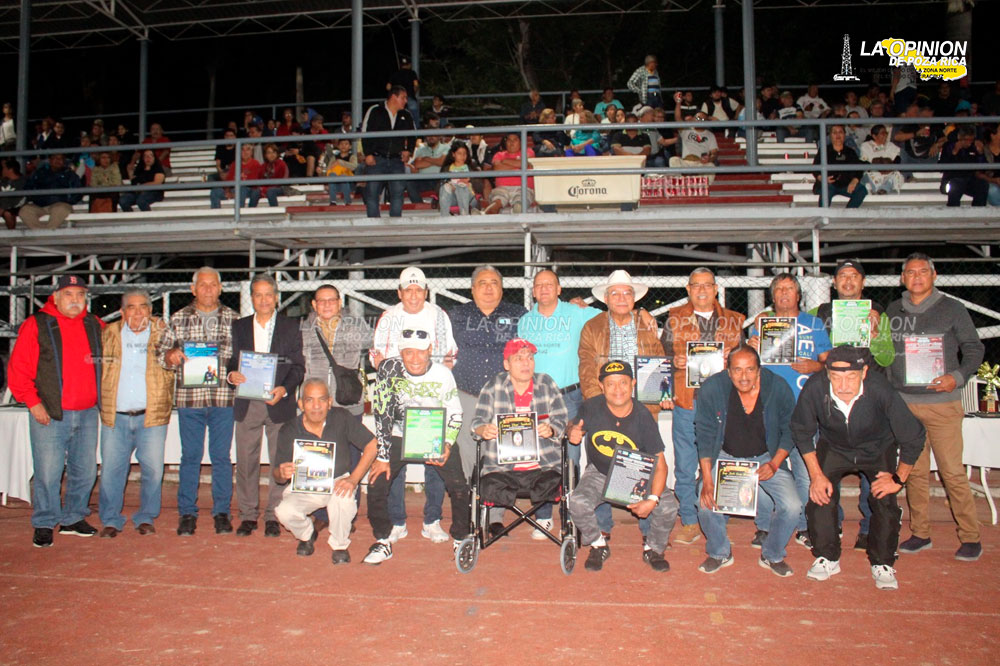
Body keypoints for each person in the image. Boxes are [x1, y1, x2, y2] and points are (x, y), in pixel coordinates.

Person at [792, 346, 927, 590]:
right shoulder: (815, 387)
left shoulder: (881, 389)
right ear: (827, 374)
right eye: (836, 377)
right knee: (820, 495)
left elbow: (914, 436)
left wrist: (898, 479)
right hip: (835, 446)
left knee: (884, 498)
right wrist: (816, 475)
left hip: (876, 447)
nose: (843, 385)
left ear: (864, 373)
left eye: (851, 377)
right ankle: (827, 556)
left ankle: (883, 562)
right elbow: (801, 431)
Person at [886, 253, 985, 561]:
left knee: (951, 472)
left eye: (922, 272)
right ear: (902, 278)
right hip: (905, 406)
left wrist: (957, 377)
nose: (916, 277)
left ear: (934, 275)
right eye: (910, 272)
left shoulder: (952, 308)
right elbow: (884, 353)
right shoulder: (893, 310)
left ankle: (971, 536)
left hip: (942, 405)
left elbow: (974, 348)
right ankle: (920, 532)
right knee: (914, 472)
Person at [8, 275, 104, 547]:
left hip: (87, 412)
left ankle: (73, 518)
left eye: (80, 294)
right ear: (57, 297)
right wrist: (33, 402)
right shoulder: (37, 324)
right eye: (69, 294)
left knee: (85, 471)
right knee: (48, 472)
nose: (75, 300)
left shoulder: (94, 324)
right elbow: (19, 368)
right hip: (49, 412)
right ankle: (45, 521)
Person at [363, 324, 471, 564]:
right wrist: (382, 456)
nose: (415, 358)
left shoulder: (443, 374)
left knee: (459, 486)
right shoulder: (389, 369)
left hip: (435, 434)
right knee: (377, 482)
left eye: (421, 352)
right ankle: (383, 540)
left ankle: (460, 537)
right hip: (399, 434)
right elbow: (382, 414)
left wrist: (447, 443)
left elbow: (455, 412)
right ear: (400, 352)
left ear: (430, 349)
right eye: (408, 352)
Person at [809, 259, 893, 551]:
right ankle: (832, 523)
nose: (847, 281)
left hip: (869, 406)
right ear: (833, 283)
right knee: (827, 467)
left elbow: (887, 358)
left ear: (863, 282)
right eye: (842, 276)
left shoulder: (878, 314)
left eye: (854, 276)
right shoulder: (819, 314)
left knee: (873, 470)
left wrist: (876, 334)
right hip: (830, 403)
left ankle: (870, 527)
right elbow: (792, 327)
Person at [695, 345, 800, 576]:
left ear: (759, 370)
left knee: (792, 506)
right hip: (724, 456)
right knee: (705, 502)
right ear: (728, 371)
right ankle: (719, 552)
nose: (744, 376)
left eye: (750, 369)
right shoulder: (712, 388)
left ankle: (772, 554)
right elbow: (704, 435)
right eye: (737, 370)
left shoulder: (777, 387)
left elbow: (790, 429)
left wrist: (775, 463)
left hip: (766, 457)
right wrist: (707, 479)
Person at [370, 266, 456, 544]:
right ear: (400, 292)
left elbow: (449, 355)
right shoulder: (388, 317)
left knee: (435, 463)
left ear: (426, 291)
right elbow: (378, 359)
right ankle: (397, 521)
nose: (414, 295)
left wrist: (433, 377)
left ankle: (432, 520)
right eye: (408, 290)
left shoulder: (439, 315)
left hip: (431, 399)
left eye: (419, 290)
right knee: (396, 464)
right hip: (398, 399)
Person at [660, 267, 746, 546]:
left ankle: (717, 516)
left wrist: (740, 354)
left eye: (707, 285)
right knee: (685, 465)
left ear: (716, 289)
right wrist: (674, 362)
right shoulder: (674, 319)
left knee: (723, 460)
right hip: (688, 402)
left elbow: (745, 361)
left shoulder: (734, 321)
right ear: (688, 289)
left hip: (724, 402)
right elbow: (661, 358)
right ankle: (689, 519)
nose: (701, 290)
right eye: (695, 285)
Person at [567, 361, 679, 573]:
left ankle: (653, 549)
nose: (617, 389)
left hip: (636, 474)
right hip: (600, 472)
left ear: (633, 383)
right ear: (601, 386)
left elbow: (661, 465)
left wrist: (652, 500)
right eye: (610, 384)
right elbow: (573, 425)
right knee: (577, 503)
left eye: (623, 383)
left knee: (668, 506)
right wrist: (572, 430)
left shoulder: (643, 415)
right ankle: (598, 545)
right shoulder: (590, 407)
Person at [749, 273, 832, 548]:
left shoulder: (814, 324)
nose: (784, 293)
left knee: (805, 471)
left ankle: (806, 525)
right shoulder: (762, 325)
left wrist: (815, 366)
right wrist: (751, 348)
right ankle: (764, 525)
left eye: (789, 289)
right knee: (765, 467)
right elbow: (748, 367)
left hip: (805, 410)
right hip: (768, 410)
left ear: (798, 295)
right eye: (779, 289)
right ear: (773, 296)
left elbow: (831, 364)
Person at [156, 267, 239, 536]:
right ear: (193, 289)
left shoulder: (235, 319)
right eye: (202, 285)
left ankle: (222, 512)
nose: (208, 289)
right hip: (190, 400)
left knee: (221, 458)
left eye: (213, 284)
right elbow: (161, 354)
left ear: (220, 288)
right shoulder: (178, 318)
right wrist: (169, 356)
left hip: (223, 399)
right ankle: (187, 513)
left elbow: (242, 357)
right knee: (190, 456)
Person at [225, 275, 305, 538]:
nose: (263, 300)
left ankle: (273, 515)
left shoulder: (291, 326)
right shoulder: (240, 326)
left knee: (279, 462)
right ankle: (248, 515)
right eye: (258, 295)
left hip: (278, 402)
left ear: (276, 297)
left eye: (268, 294)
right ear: (252, 298)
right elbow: (233, 360)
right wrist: (231, 374)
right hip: (248, 403)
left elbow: (298, 367)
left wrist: (284, 389)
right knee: (246, 462)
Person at [272, 379, 378, 563]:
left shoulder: (341, 418)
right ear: (301, 404)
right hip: (305, 485)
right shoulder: (288, 430)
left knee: (344, 500)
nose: (316, 406)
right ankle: (306, 534)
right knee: (284, 511)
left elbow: (372, 445)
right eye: (309, 400)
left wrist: (353, 479)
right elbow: (277, 475)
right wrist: (281, 473)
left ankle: (339, 545)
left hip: (338, 481)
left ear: (329, 402)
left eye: (321, 400)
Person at [470, 338, 569, 535]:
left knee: (555, 481)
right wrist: (483, 430)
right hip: (501, 468)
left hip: (543, 466)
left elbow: (562, 419)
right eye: (518, 358)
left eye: (530, 358)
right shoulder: (494, 386)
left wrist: (552, 430)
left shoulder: (546, 383)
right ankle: (483, 524)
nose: (526, 363)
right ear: (506, 364)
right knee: (488, 485)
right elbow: (476, 422)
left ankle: (554, 522)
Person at [97, 289, 175, 537]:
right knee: (111, 471)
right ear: (122, 312)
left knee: (153, 470)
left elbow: (178, 364)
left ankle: (146, 517)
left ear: (150, 311)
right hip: (115, 415)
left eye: (143, 307)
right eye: (132, 307)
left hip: (151, 416)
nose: (138, 312)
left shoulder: (165, 334)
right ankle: (111, 519)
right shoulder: (108, 334)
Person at [449, 266, 527, 482]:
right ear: (472, 289)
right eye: (482, 283)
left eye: (494, 283)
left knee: (503, 450)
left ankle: (497, 499)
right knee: (465, 449)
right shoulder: (456, 315)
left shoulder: (519, 314)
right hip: (465, 393)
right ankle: (469, 496)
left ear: (502, 289)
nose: (488, 288)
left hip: (504, 395)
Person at [361, 86, 416, 218]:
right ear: (393, 97)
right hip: (377, 158)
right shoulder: (375, 110)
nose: (405, 101)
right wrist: (368, 154)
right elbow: (365, 132)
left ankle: (395, 223)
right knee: (372, 193)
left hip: (396, 159)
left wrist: (409, 151)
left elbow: (413, 135)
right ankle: (374, 223)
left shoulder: (406, 114)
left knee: (397, 193)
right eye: (403, 97)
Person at [19, 153, 82, 229]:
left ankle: (48, 231)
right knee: (25, 211)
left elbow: (77, 192)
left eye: (61, 159)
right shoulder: (39, 173)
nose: (58, 160)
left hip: (60, 205)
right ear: (50, 160)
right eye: (55, 158)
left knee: (61, 209)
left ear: (64, 161)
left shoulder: (70, 175)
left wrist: (66, 200)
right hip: (39, 206)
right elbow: (28, 188)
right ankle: (41, 232)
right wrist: (36, 198)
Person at [478, 133, 535, 215]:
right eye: (509, 140)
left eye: (515, 140)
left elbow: (524, 163)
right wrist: (518, 165)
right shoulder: (499, 155)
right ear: (505, 142)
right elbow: (497, 168)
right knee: (497, 202)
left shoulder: (528, 152)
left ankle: (517, 213)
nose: (512, 143)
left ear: (520, 142)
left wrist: (505, 161)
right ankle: (483, 215)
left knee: (519, 202)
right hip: (502, 188)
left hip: (523, 188)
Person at [813, 125, 866, 208]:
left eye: (840, 132)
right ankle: (823, 214)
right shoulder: (824, 150)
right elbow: (815, 167)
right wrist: (822, 178)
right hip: (829, 184)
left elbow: (858, 168)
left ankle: (849, 213)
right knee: (826, 189)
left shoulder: (850, 151)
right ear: (830, 136)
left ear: (844, 135)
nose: (838, 135)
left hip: (846, 184)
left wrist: (854, 180)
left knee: (862, 190)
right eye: (834, 132)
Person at [939, 125, 989, 207]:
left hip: (970, 180)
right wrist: (954, 152)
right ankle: (952, 209)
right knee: (957, 183)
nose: (968, 143)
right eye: (966, 140)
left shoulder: (974, 147)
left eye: (971, 140)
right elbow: (942, 166)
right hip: (952, 179)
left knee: (982, 184)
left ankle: (979, 209)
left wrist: (980, 153)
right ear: (959, 137)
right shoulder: (949, 146)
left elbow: (983, 167)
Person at [210, 144, 263, 209]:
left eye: (248, 149)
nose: (245, 152)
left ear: (251, 152)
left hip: (247, 191)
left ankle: (238, 213)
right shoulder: (235, 164)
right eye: (242, 150)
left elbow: (252, 183)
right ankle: (216, 213)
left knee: (242, 189)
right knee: (215, 191)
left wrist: (236, 193)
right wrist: (228, 191)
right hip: (234, 190)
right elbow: (228, 181)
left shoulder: (255, 164)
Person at [669, 116, 719, 183]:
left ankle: (703, 185)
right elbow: (678, 119)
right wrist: (687, 121)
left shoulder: (710, 135)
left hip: (700, 163)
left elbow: (714, 153)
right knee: (673, 160)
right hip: (686, 161)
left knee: (711, 166)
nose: (699, 120)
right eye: (697, 118)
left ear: (706, 121)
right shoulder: (686, 130)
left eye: (702, 119)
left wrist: (709, 159)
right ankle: (679, 182)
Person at [859, 125, 904, 195]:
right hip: (872, 171)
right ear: (874, 136)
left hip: (888, 171)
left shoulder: (890, 145)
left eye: (886, 133)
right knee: (871, 174)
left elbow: (897, 159)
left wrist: (888, 169)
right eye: (882, 133)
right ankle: (877, 189)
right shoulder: (866, 145)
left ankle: (883, 189)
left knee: (895, 175)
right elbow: (865, 161)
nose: (885, 135)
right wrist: (879, 169)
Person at [438, 142, 475, 215]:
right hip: (453, 197)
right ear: (453, 154)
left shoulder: (471, 167)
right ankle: (444, 216)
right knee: (445, 187)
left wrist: (469, 182)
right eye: (459, 153)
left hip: (468, 196)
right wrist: (449, 185)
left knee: (461, 186)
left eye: (464, 153)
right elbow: (438, 187)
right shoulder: (446, 169)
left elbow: (479, 186)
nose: (462, 156)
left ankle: (464, 214)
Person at [248, 143, 288, 208]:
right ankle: (249, 212)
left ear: (277, 153)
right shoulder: (263, 166)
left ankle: (275, 211)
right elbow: (259, 180)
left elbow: (283, 181)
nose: (272, 155)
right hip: (266, 188)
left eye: (274, 152)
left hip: (280, 188)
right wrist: (263, 189)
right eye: (269, 153)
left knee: (270, 191)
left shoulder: (282, 164)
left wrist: (266, 189)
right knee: (255, 192)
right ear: (265, 155)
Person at [324, 137, 357, 205]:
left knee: (343, 176)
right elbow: (329, 169)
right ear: (338, 146)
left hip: (349, 184)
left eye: (346, 144)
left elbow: (354, 166)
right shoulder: (334, 158)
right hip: (336, 184)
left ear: (350, 146)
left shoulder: (352, 157)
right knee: (332, 175)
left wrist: (340, 162)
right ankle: (333, 201)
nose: (343, 146)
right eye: (341, 144)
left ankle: (347, 201)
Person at [386, 56, 420, 122]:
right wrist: (413, 92)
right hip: (410, 97)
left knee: (398, 118)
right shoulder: (412, 73)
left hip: (398, 98)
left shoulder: (395, 73)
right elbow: (416, 85)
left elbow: (388, 87)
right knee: (414, 119)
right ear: (409, 64)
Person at [0, 158, 26, 229]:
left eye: (4, 168)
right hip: (3, 206)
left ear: (10, 170)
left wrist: (3, 207)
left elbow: (19, 199)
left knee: (8, 213)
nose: (2, 170)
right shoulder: (3, 181)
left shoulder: (22, 182)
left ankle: (11, 232)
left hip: (17, 206)